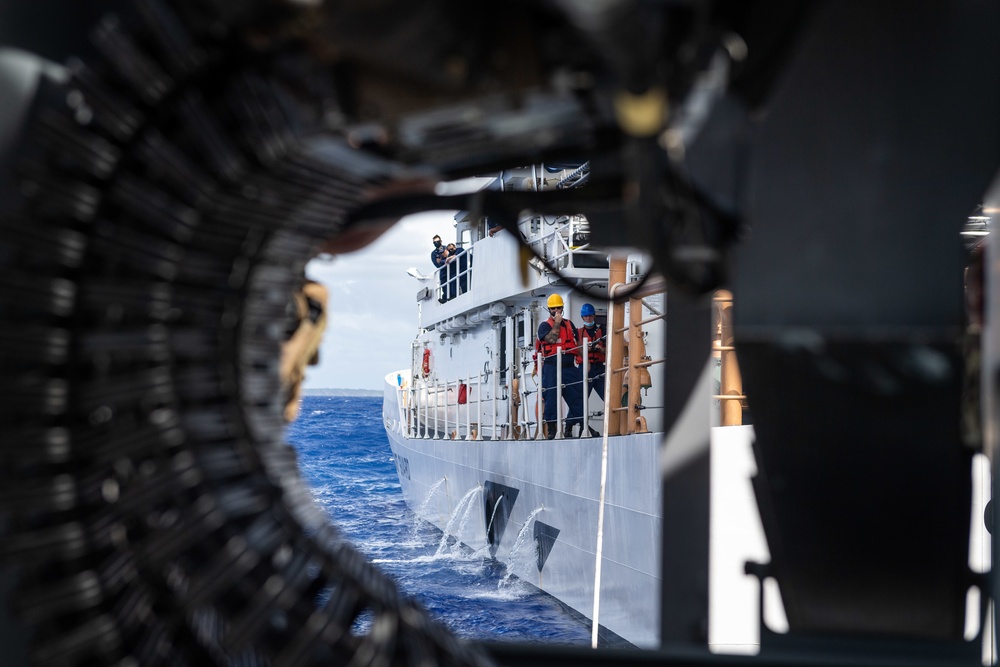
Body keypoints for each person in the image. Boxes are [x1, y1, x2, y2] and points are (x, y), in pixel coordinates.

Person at [536, 294, 584, 439]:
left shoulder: (570, 324)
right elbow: (552, 339)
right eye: (553, 308)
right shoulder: (544, 326)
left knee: (578, 395)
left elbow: (577, 344)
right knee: (551, 398)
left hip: (569, 366)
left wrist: (582, 360)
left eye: (558, 307)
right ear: (549, 309)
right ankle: (552, 429)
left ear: (562, 307)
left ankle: (581, 425)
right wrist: (556, 322)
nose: (556, 310)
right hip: (551, 367)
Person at [575, 303, 606, 403]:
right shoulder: (578, 332)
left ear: (594, 316)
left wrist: (601, 349)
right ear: (582, 317)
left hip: (600, 367)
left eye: (590, 315)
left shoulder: (602, 331)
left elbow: (610, 350)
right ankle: (573, 419)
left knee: (608, 396)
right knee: (580, 400)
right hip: (584, 368)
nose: (588, 318)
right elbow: (575, 350)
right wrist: (586, 349)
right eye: (586, 316)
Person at [431, 235, 448, 302]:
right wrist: (444, 260)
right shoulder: (433, 253)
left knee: (453, 283)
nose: (436, 243)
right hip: (443, 272)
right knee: (444, 285)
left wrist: (442, 260)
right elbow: (437, 264)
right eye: (434, 242)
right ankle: (445, 298)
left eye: (437, 241)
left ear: (441, 241)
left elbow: (452, 256)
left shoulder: (447, 248)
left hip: (452, 270)